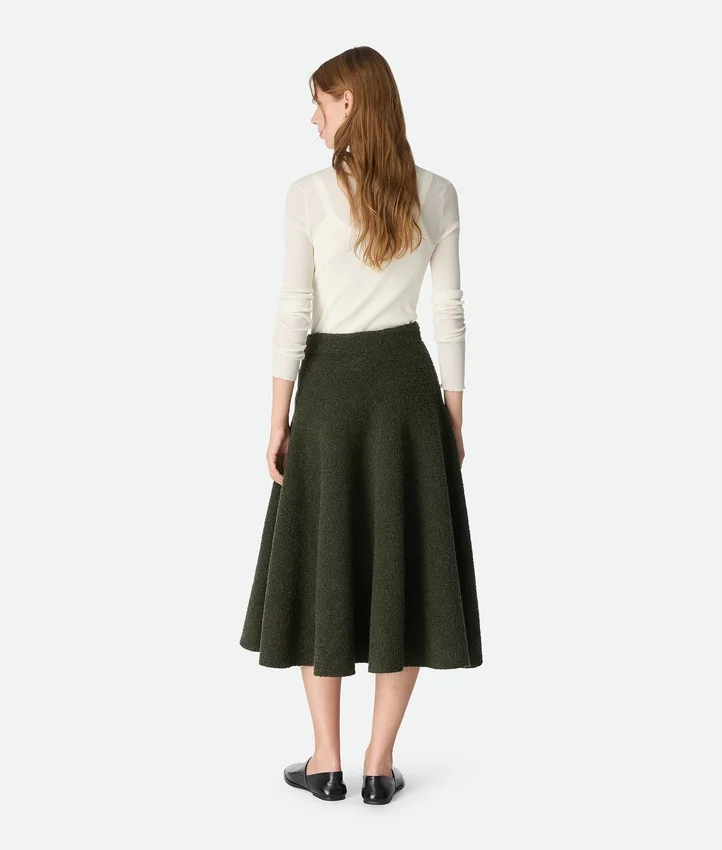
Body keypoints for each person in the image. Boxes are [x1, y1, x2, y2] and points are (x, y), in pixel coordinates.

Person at [239, 45, 483, 805]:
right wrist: (452, 414)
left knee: (321, 567)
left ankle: (326, 761)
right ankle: (378, 764)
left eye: (320, 102)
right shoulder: (437, 193)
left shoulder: (309, 196)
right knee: (405, 569)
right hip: (408, 393)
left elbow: (294, 312)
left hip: (330, 394)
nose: (312, 118)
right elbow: (448, 312)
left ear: (350, 102)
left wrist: (277, 418)